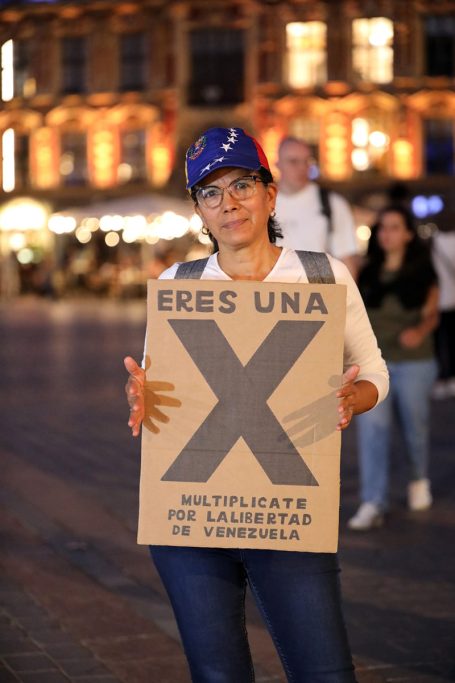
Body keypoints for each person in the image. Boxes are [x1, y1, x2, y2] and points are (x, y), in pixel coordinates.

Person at [124, 127, 389, 682]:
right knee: (218, 676)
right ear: (199, 210)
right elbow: (157, 385)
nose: (229, 203)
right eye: (211, 192)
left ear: (270, 195)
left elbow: (375, 374)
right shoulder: (179, 284)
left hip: (287, 510)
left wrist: (352, 397)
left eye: (243, 183)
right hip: (192, 518)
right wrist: (140, 394)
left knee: (325, 673)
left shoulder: (321, 276)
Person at [348, 206, 439, 532]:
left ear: (408, 234)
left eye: (395, 227)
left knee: (415, 427)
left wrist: (420, 331)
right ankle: (373, 501)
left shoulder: (422, 271)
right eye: (383, 228)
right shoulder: (366, 271)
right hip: (374, 364)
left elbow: (432, 313)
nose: (387, 233)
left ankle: (417, 479)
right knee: (372, 432)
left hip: (414, 361)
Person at [275, 136, 359, 278]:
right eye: (293, 161)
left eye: (307, 161)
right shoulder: (263, 204)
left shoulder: (332, 203)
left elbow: (347, 261)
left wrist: (346, 298)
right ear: (278, 164)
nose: (302, 168)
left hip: (318, 293)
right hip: (275, 293)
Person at [431, 227, 455, 399]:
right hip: (451, 300)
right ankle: (451, 377)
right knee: (452, 341)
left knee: (439, 342)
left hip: (438, 300)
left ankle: (442, 377)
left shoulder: (434, 241)